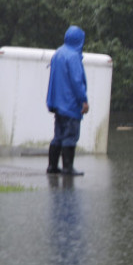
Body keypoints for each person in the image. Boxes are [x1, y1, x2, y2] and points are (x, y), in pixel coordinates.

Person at [46, 25, 90, 175]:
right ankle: (67, 168)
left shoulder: (58, 53)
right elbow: (77, 81)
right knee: (70, 136)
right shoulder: (73, 57)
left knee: (58, 135)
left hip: (58, 104)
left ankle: (52, 166)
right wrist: (84, 100)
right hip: (70, 104)